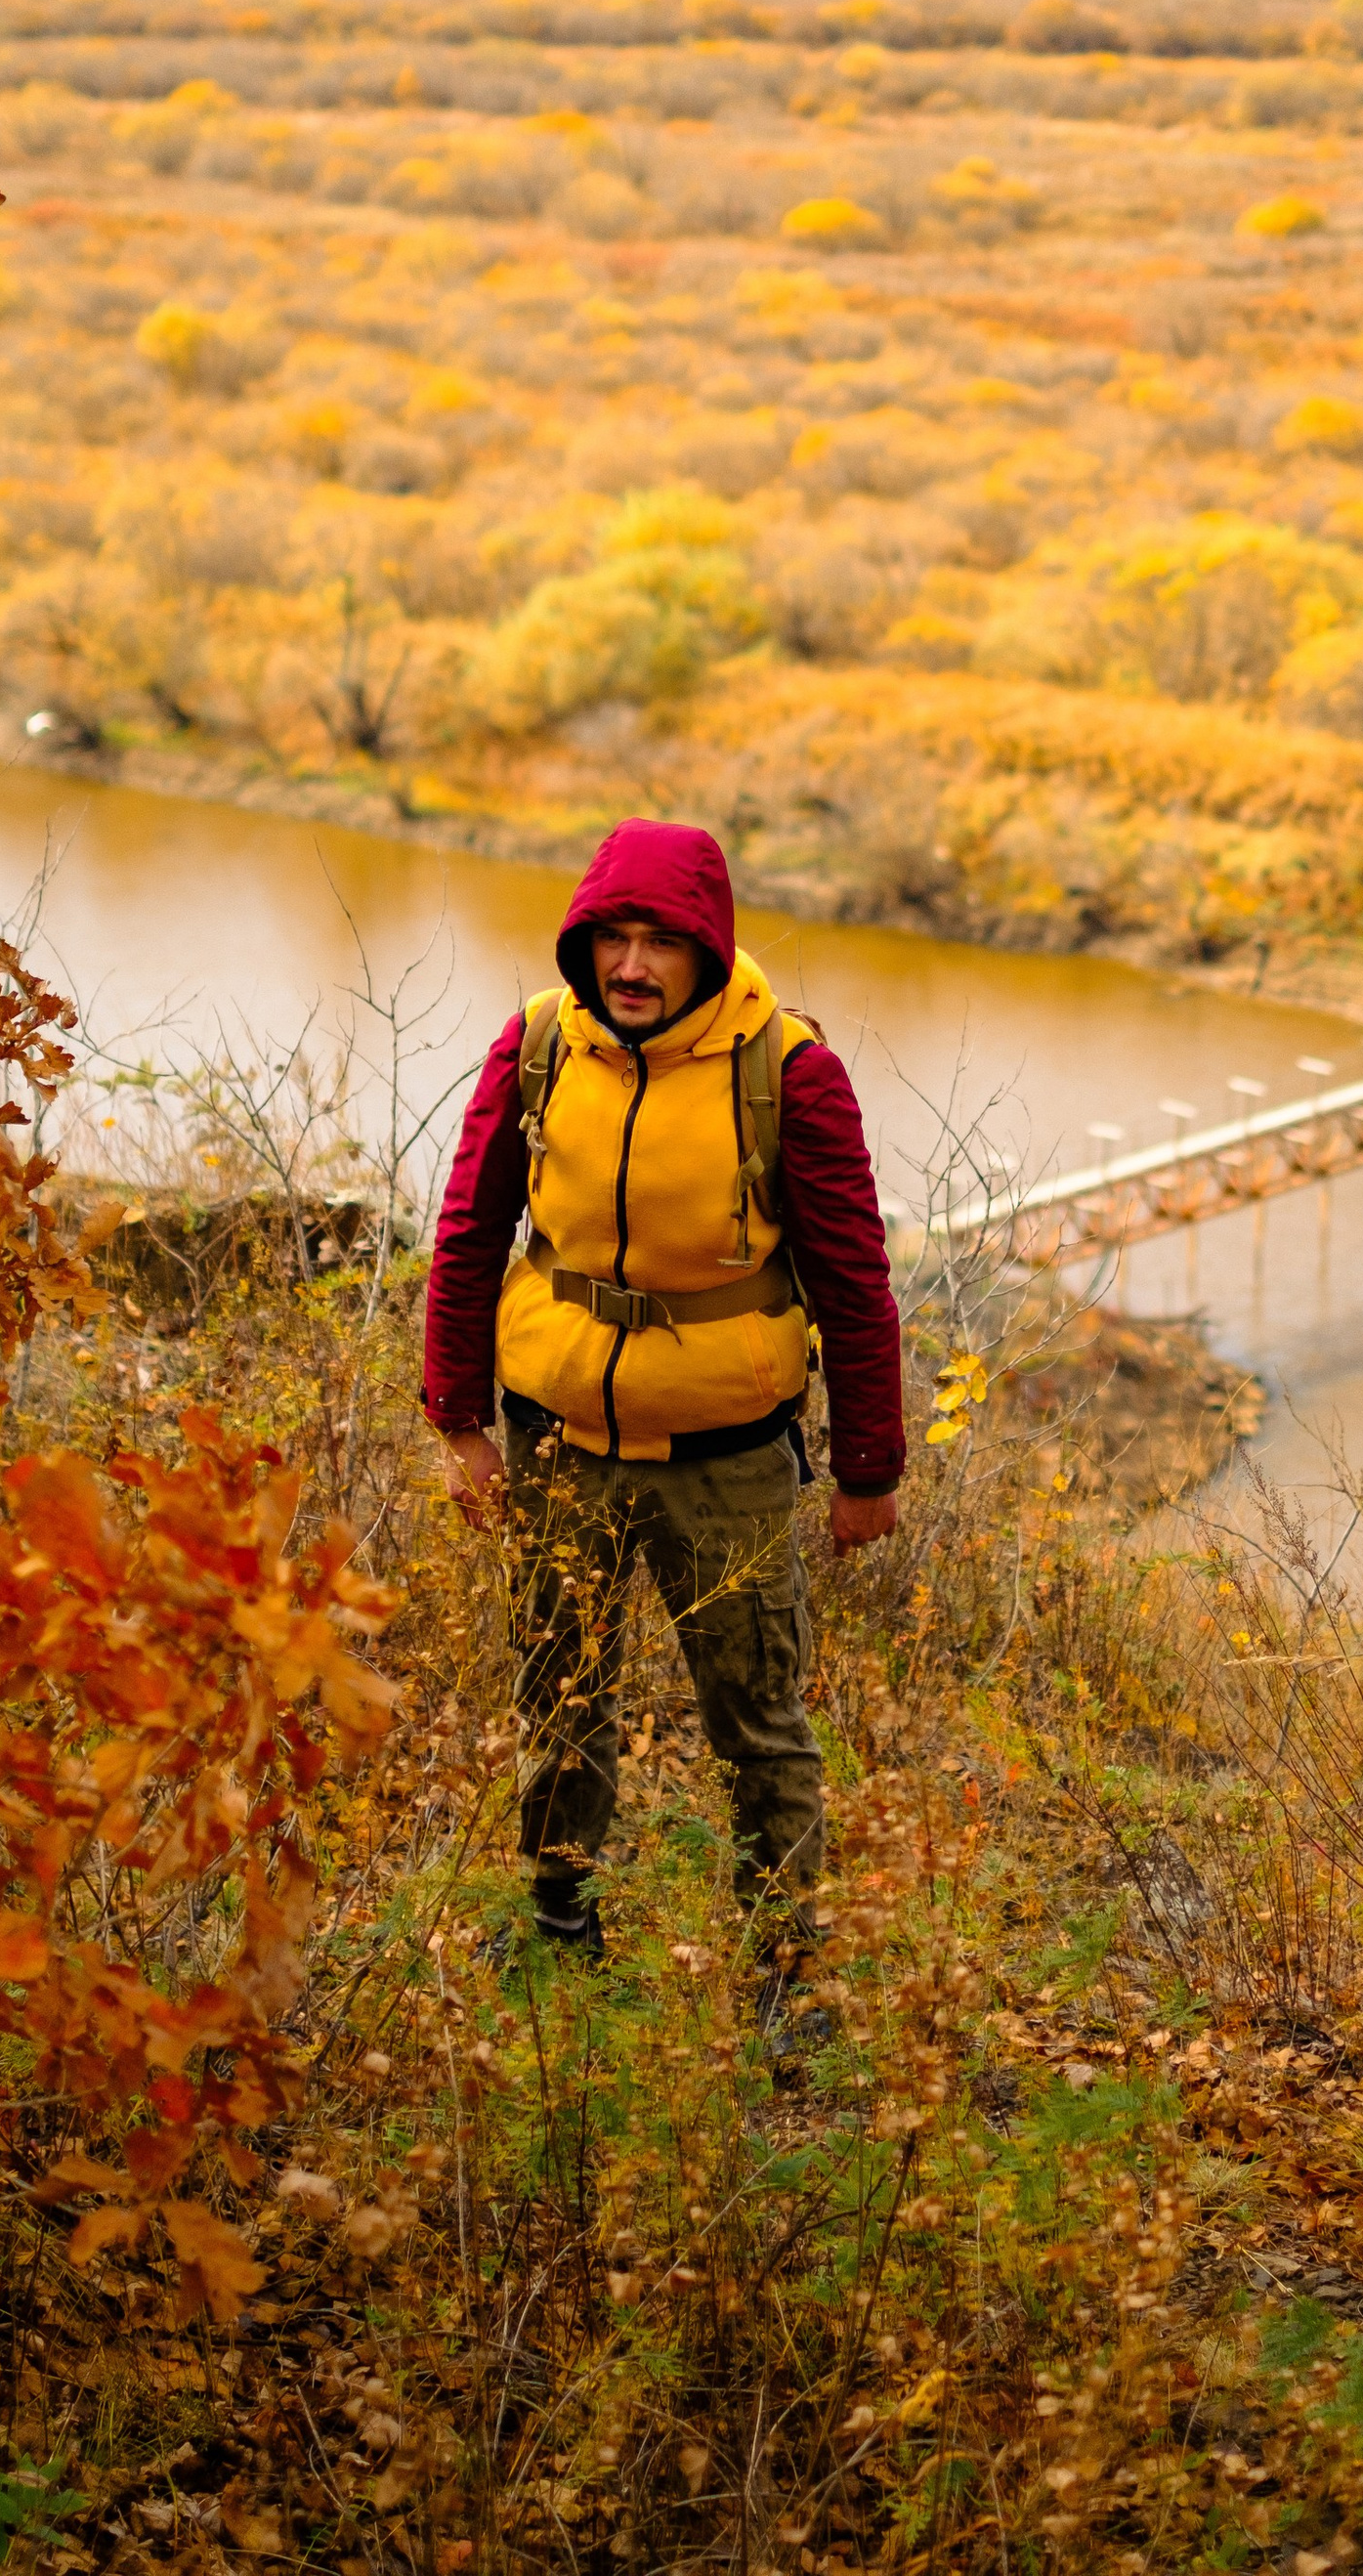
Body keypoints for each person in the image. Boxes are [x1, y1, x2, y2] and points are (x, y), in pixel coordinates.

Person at [424, 818, 905, 1977]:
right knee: (559, 1691)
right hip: (555, 1438)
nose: (631, 966)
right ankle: (558, 1924)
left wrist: (868, 1469)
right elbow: (470, 1233)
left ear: (708, 948)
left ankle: (785, 1968)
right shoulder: (537, 1044)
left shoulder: (789, 1072)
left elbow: (854, 1282)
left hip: (724, 1455)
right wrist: (458, 1421)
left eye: (660, 942)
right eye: (612, 938)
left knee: (757, 1719)